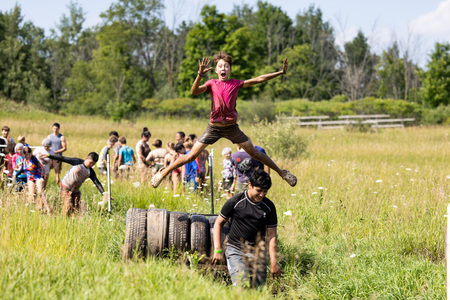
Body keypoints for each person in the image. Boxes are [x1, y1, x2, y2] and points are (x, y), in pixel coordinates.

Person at [151, 51, 296, 188]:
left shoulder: (236, 84)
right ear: (215, 69)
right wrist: (200, 74)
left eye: (226, 66)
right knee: (191, 156)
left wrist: (280, 72)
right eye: (220, 66)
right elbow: (193, 91)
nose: (223, 68)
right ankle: (163, 172)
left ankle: (282, 173)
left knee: (255, 153)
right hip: (213, 128)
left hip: (232, 128)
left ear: (230, 69)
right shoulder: (211, 83)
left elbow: (259, 79)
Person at [212, 169, 282, 288]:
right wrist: (218, 250)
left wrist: (274, 262)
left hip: (258, 253)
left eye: (265, 191)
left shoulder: (269, 207)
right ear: (250, 185)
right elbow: (218, 223)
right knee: (241, 285)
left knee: (257, 291)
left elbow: (272, 235)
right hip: (236, 250)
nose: (262, 195)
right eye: (259, 190)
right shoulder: (236, 201)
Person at [44, 152, 107, 217]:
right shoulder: (77, 162)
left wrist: (104, 193)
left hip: (75, 190)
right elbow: (63, 158)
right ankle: (64, 220)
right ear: (86, 158)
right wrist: (49, 155)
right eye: (90, 162)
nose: (91, 165)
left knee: (77, 207)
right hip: (65, 186)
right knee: (68, 205)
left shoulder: (90, 171)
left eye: (93, 164)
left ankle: (72, 220)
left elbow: (97, 182)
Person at [16, 147, 51, 213]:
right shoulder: (24, 160)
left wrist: (42, 177)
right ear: (24, 154)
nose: (28, 156)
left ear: (31, 153)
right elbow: (23, 169)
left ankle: (48, 209)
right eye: (26, 155)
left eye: (29, 154)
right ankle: (32, 210)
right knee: (31, 194)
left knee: (40, 192)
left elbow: (41, 168)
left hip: (38, 177)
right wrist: (16, 174)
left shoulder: (34, 159)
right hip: (30, 178)